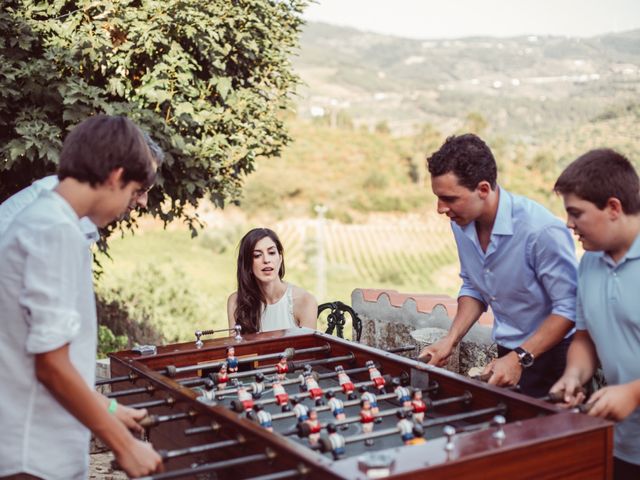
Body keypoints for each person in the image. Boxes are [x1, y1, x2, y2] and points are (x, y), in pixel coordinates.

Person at [0, 115, 163, 479]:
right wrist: (124, 445)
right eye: (132, 191)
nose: (130, 206)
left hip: (36, 445)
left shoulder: (45, 219)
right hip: (35, 455)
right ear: (115, 176)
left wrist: (108, 410)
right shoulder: (54, 231)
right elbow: (51, 366)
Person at [419, 134, 578, 397]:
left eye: (449, 198)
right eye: (438, 198)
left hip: (554, 357)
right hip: (507, 352)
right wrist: (451, 339)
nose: (440, 208)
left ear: (483, 189)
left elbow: (569, 308)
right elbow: (474, 286)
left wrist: (520, 358)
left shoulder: (541, 231)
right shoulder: (461, 222)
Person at [551, 149, 640, 480]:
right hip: (619, 442)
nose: (569, 224)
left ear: (613, 208)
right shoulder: (589, 262)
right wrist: (574, 374)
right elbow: (585, 336)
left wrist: (632, 393)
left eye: (577, 213)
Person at [0, 132, 164, 240]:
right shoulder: (57, 224)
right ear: (116, 175)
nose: (143, 201)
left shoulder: (71, 206)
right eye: (139, 188)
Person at [227, 227, 318, 333]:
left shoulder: (305, 301)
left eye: (271, 253)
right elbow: (235, 348)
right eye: (257, 255)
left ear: (280, 259)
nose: (266, 260)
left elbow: (309, 349)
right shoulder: (236, 302)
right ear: (247, 265)